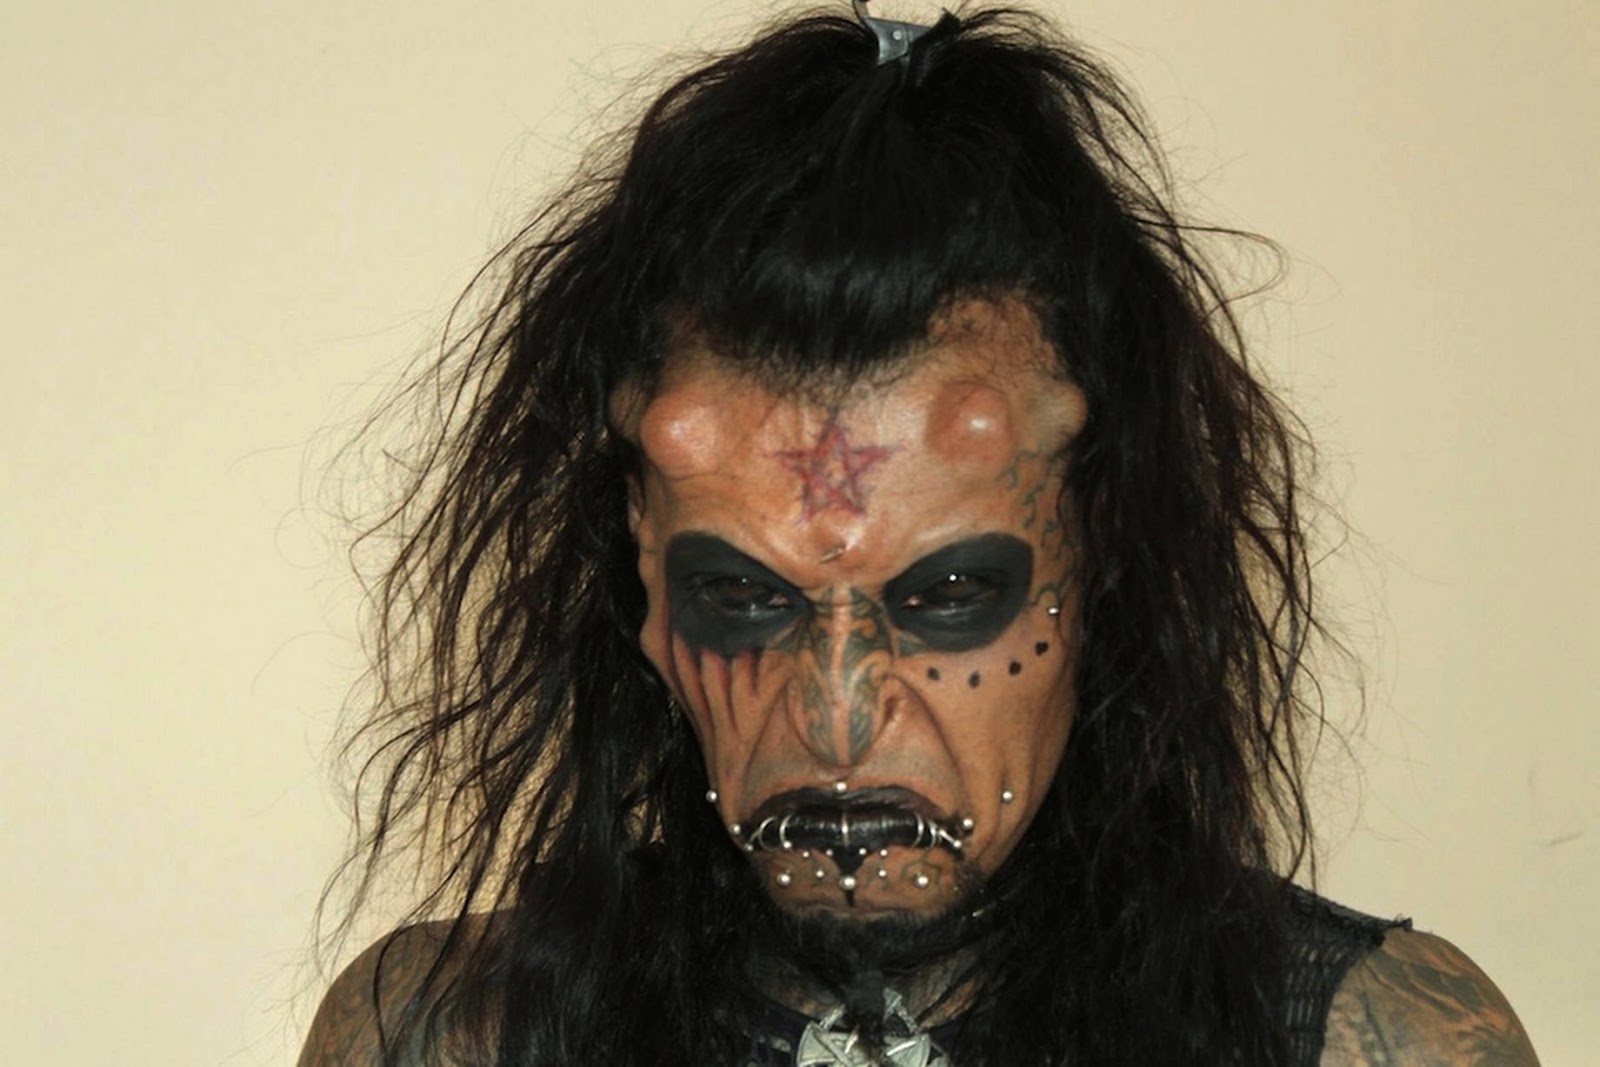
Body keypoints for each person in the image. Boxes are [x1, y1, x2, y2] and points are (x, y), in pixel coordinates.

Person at [300, 4, 1539, 1064]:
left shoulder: (1375, 1041)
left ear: (1101, 559)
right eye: (743, 598)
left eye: (947, 595)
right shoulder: (439, 1036)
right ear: (645, 581)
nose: (838, 715)